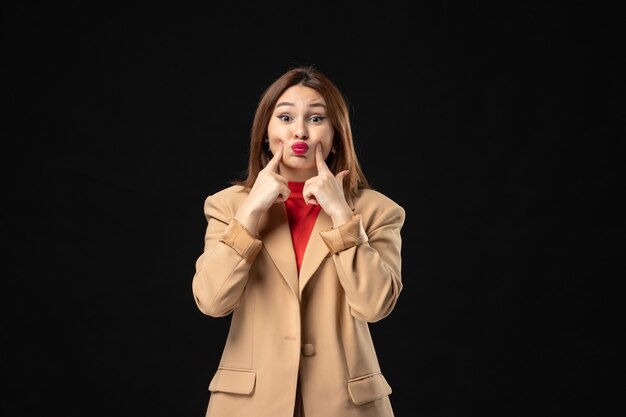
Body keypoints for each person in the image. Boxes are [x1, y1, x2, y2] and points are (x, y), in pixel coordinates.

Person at [191, 65, 405, 417]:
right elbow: (212, 301)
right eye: (286, 117)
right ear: (265, 132)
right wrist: (249, 214)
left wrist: (342, 216)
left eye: (317, 118)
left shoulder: (378, 211)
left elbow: (375, 305)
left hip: (345, 407)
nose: (300, 131)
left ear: (337, 134)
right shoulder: (226, 205)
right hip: (249, 406)